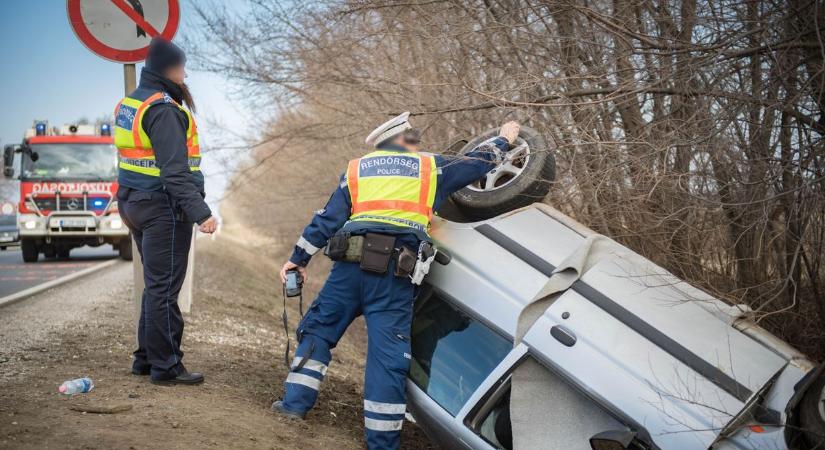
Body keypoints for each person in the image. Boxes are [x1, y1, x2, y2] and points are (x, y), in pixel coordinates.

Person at [272, 111, 520, 449]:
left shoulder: (357, 170)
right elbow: (477, 163)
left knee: (318, 331)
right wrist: (505, 139)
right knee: (387, 358)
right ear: (404, 140)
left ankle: (293, 406)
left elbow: (326, 220)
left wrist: (298, 260)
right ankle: (382, 442)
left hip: (347, 270)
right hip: (393, 277)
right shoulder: (429, 167)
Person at [113, 37, 217, 386]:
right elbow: (174, 172)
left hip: (133, 201)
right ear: (169, 69)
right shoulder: (164, 110)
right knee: (164, 289)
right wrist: (202, 213)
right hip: (162, 208)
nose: (185, 73)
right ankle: (167, 366)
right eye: (182, 67)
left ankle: (145, 359)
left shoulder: (131, 103)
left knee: (155, 286)